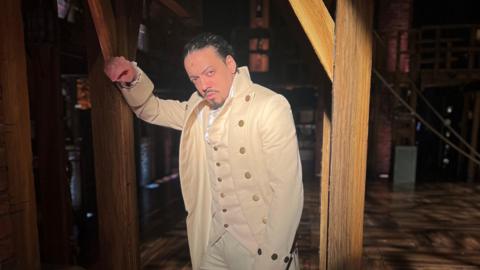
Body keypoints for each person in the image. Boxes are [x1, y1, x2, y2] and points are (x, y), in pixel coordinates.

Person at [104, 32, 303, 270]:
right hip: (217, 240)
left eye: (210, 73)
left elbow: (287, 193)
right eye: (194, 78)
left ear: (230, 64)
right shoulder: (197, 108)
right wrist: (133, 76)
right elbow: (151, 109)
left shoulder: (269, 106)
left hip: (259, 245)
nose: (203, 85)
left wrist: (271, 259)